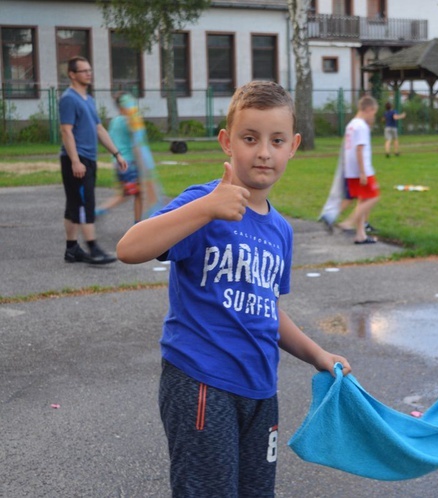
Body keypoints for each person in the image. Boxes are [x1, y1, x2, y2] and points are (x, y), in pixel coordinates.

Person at [116, 81, 352, 497]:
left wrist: (318, 355)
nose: (264, 152)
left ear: (293, 146)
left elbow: (267, 309)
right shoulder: (204, 203)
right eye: (250, 138)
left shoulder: (280, 229)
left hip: (261, 389)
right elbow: (129, 248)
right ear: (227, 142)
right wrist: (206, 208)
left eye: (276, 140)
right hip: (201, 382)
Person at [59, 55, 127, 264]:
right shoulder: (69, 99)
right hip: (77, 159)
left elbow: (99, 128)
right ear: (72, 74)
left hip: (88, 158)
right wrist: (75, 161)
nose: (89, 73)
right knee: (84, 203)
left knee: (74, 204)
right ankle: (93, 248)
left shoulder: (89, 100)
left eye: (89, 70)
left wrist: (116, 153)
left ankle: (72, 249)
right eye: (83, 71)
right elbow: (66, 131)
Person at [335, 95, 380, 244]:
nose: (373, 115)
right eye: (373, 112)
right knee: (374, 196)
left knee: (362, 199)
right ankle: (349, 221)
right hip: (362, 170)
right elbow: (359, 149)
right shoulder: (361, 126)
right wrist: (362, 172)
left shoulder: (351, 125)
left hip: (350, 170)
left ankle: (360, 235)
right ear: (368, 109)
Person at [96, 93, 143, 224]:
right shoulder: (128, 122)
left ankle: (137, 222)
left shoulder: (114, 121)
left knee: (131, 193)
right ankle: (102, 210)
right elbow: (136, 144)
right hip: (130, 164)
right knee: (131, 194)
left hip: (119, 163)